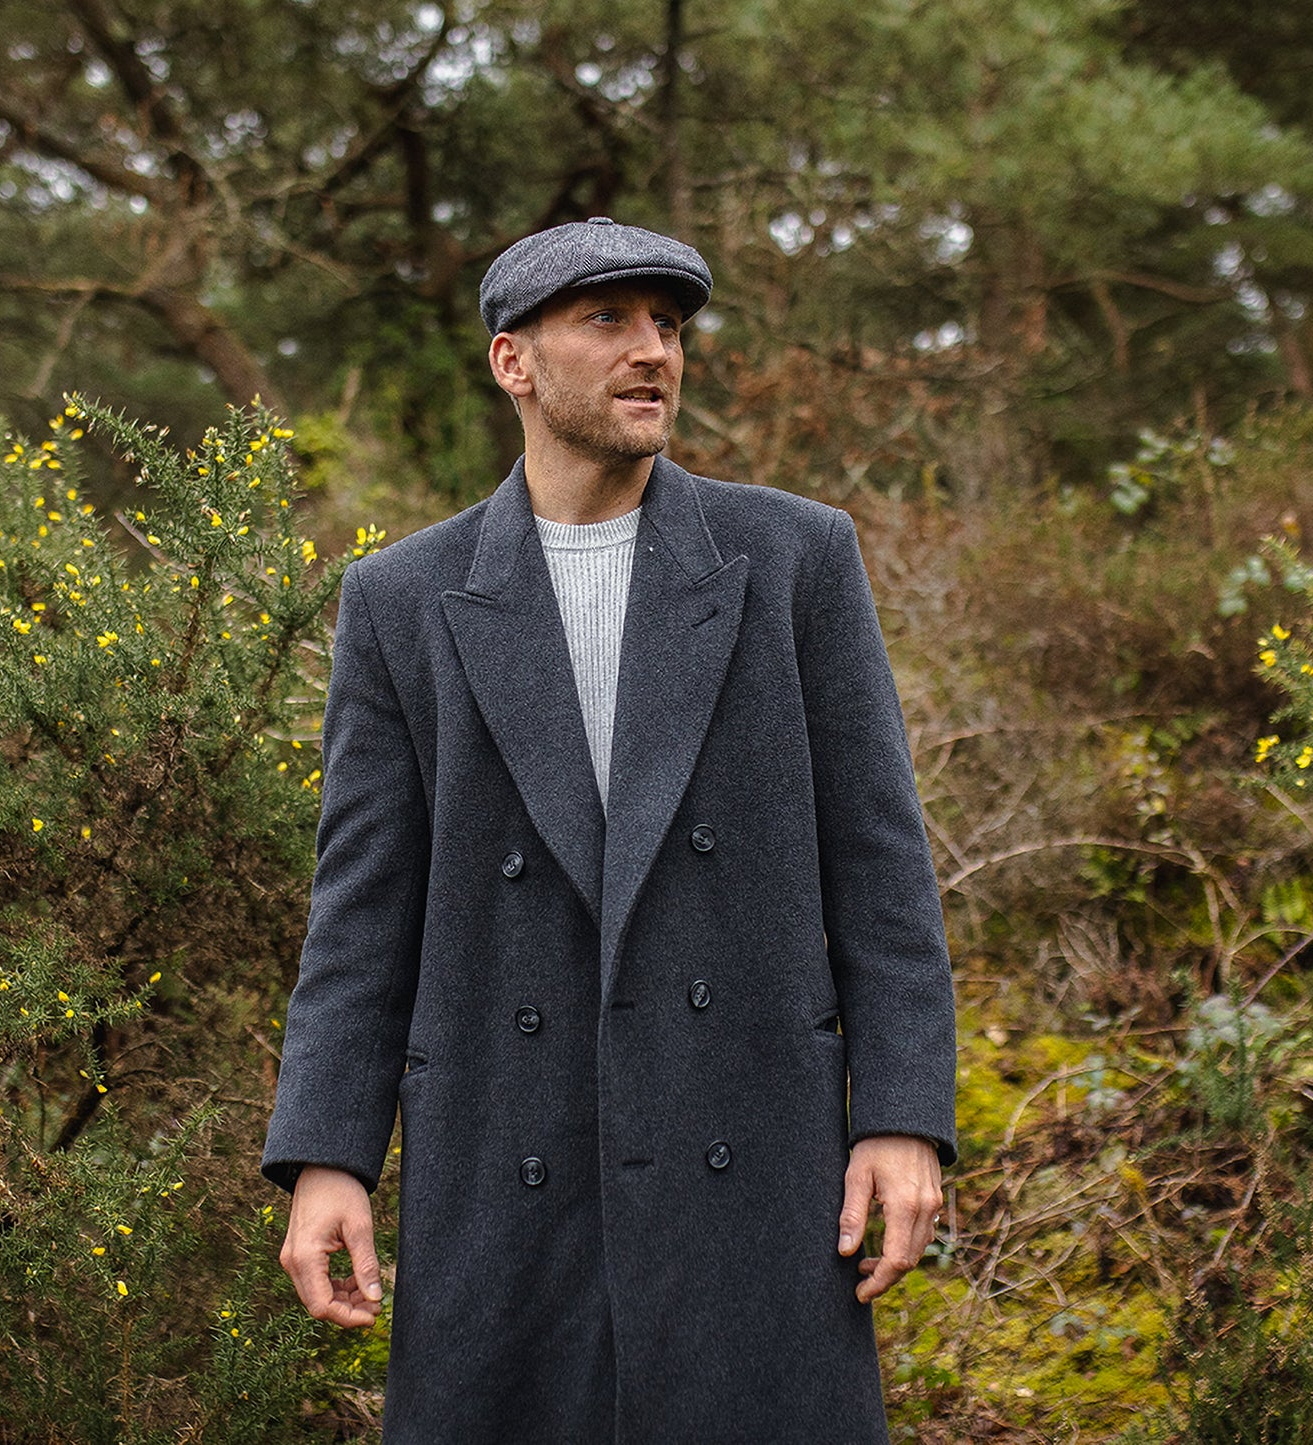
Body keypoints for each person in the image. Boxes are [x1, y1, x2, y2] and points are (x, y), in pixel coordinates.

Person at [263, 217, 957, 1444]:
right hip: (506, 1155)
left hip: (748, 1145)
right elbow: (363, 910)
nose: (653, 351)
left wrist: (899, 1115)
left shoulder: (792, 556)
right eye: (607, 320)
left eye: (668, 325)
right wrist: (329, 1154)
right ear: (512, 362)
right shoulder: (400, 599)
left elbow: (880, 867)